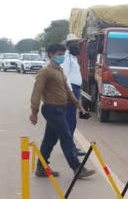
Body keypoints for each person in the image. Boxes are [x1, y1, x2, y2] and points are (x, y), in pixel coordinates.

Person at [30, 43, 95, 179]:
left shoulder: (59, 71)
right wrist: (34, 112)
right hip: (51, 108)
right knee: (66, 137)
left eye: (62, 55)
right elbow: (37, 92)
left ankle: (41, 167)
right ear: (51, 55)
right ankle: (77, 168)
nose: (62, 57)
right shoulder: (45, 71)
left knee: (50, 139)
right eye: (59, 55)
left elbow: (67, 90)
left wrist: (79, 106)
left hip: (61, 108)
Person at [62, 33, 85, 155]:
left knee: (71, 120)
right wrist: (70, 93)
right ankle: (69, 148)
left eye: (77, 43)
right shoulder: (66, 57)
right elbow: (64, 76)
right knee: (70, 120)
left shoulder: (73, 57)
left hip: (75, 89)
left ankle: (70, 146)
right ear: (68, 45)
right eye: (74, 43)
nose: (77, 45)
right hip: (70, 90)